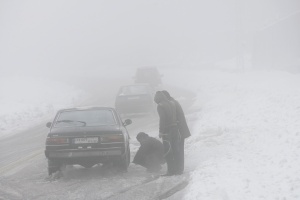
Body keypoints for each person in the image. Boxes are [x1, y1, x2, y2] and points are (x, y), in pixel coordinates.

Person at [162, 90, 191, 175]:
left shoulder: (171, 104)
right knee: (178, 151)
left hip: (177, 131)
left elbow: (172, 119)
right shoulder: (173, 102)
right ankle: (178, 169)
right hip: (180, 130)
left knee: (176, 151)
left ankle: (176, 170)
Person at [154, 91, 181, 176]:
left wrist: (161, 131)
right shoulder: (172, 103)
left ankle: (171, 171)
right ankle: (178, 169)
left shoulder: (160, 106)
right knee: (175, 150)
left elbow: (162, 119)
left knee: (168, 151)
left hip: (167, 131)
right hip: (175, 129)